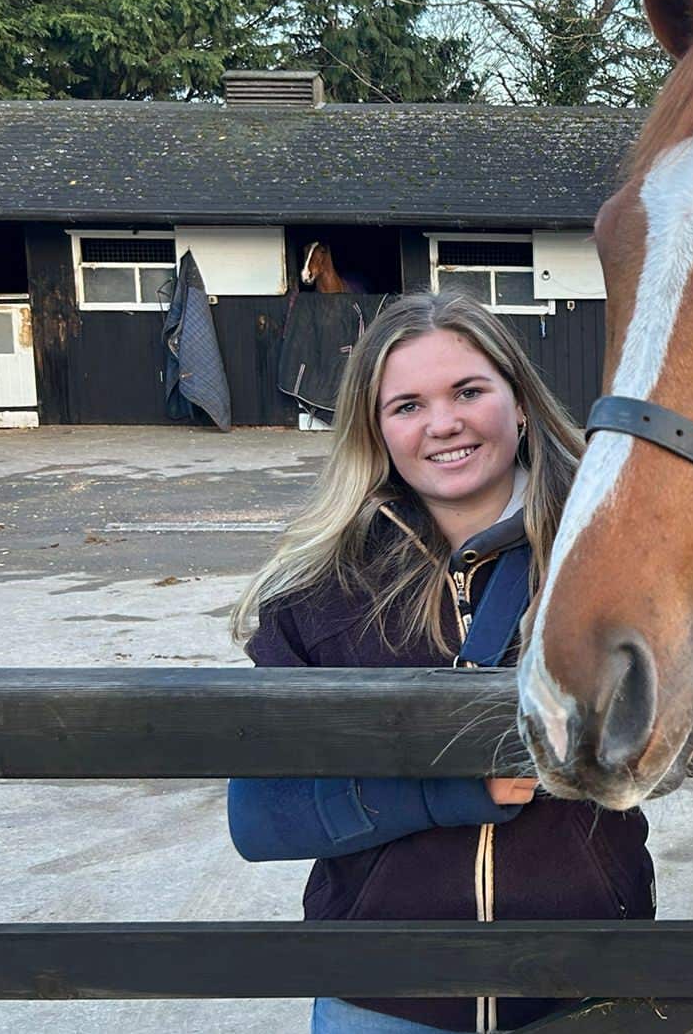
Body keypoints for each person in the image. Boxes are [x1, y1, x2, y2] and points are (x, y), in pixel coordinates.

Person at [227, 292, 653, 1034]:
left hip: (588, 987)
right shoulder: (322, 589)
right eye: (407, 405)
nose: (443, 422)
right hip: (382, 1000)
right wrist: (445, 790)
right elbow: (261, 816)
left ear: (519, 402)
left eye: (468, 390)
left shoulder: (619, 555)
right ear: (377, 431)